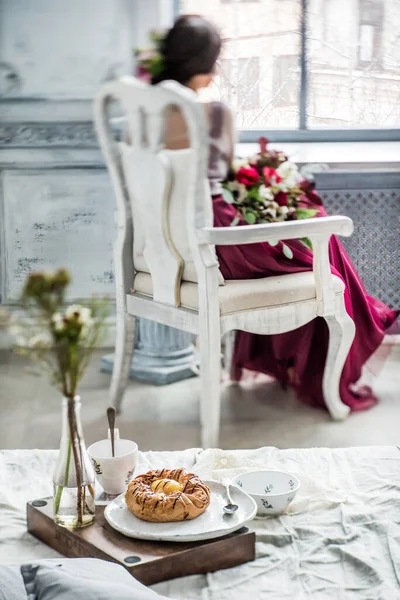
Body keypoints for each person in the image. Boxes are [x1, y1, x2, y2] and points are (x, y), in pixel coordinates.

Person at [148, 14, 398, 412]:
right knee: (320, 233)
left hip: (167, 243)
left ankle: (306, 356)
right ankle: (356, 336)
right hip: (215, 244)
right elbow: (224, 173)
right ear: (209, 62)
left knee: (306, 230)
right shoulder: (212, 114)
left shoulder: (145, 113)